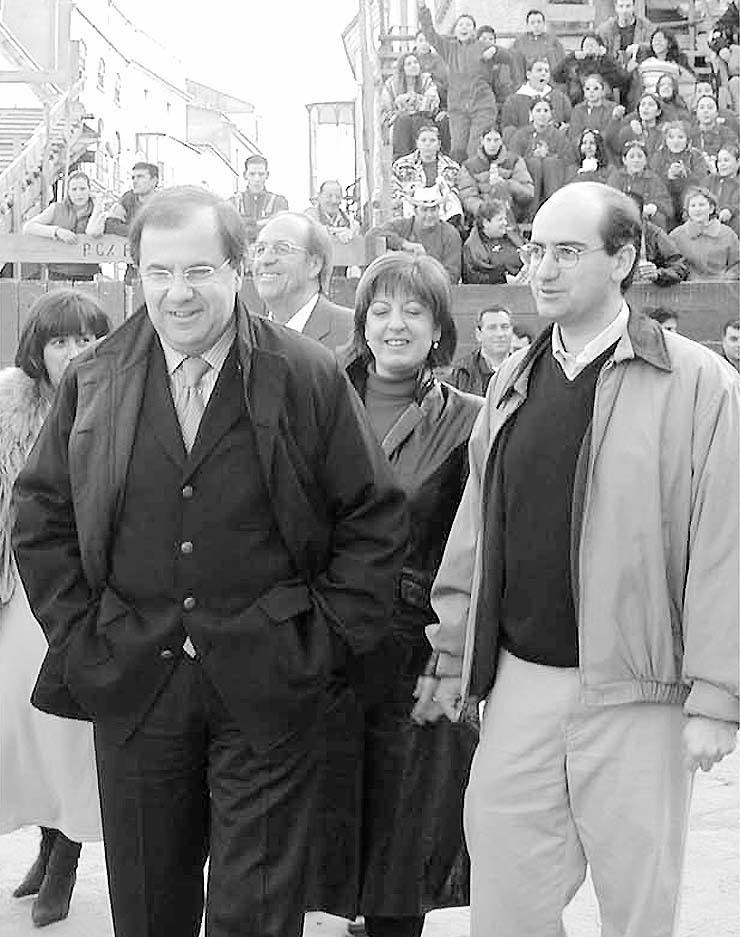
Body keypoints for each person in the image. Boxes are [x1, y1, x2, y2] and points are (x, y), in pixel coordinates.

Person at [12, 185, 409, 937]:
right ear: (135, 273)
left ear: (237, 269)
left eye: (198, 269)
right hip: (134, 682)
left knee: (256, 913)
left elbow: (373, 518)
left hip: (268, 686)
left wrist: (316, 644)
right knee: (148, 908)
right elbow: (41, 516)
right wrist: (83, 636)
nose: (178, 292)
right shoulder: (95, 375)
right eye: (158, 272)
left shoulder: (306, 375)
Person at [415, 181, 739, 937]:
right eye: (535, 251)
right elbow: (475, 531)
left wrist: (719, 694)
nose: (543, 270)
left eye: (567, 252)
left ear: (624, 258)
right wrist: (448, 651)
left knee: (636, 901)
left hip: (639, 688)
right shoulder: (510, 381)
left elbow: (726, 542)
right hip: (523, 680)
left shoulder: (699, 384)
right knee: (503, 889)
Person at [309, 251, 482, 937]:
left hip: (410, 647)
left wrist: (448, 657)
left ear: (440, 327)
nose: (395, 324)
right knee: (319, 816)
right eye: (380, 309)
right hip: (320, 640)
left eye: (414, 310)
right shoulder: (319, 394)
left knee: (402, 829)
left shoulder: (470, 418)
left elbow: (469, 545)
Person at [0, 290, 110, 927]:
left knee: (67, 722)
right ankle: (45, 838)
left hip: (81, 588)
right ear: (36, 348)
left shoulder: (116, 397)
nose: (74, 352)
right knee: (23, 718)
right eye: (60, 340)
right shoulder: (12, 406)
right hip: (19, 582)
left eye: (86, 337)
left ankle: (67, 850)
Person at [251, 211, 353, 350]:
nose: (265, 260)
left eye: (282, 249)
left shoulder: (352, 333)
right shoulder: (247, 338)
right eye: (260, 250)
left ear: (314, 264)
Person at [417, 2, 499, 163]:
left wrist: (495, 51)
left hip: (482, 106)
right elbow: (430, 35)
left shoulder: (484, 47)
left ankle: (477, 184)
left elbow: (507, 56)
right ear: (455, 30)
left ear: (474, 31)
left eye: (468, 25)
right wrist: (423, 11)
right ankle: (459, 185)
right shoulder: (449, 49)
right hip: (458, 108)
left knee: (475, 148)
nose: (464, 27)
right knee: (458, 149)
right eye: (460, 24)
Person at [22, 171, 108, 281]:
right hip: (58, 273)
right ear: (68, 192)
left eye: (82, 189)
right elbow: (28, 227)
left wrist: (98, 206)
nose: (78, 194)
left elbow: (95, 231)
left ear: (89, 190)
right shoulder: (56, 209)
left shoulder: (98, 211)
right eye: (74, 189)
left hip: (87, 274)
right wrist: (57, 231)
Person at [374, 185, 463, 284]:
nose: (429, 215)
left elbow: (452, 276)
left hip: (435, 291)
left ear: (439, 210)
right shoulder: (403, 226)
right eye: (424, 210)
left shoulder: (450, 234)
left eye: (433, 209)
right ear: (415, 211)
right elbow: (373, 234)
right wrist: (404, 244)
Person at [509, 98, 572, 219]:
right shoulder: (521, 135)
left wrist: (548, 156)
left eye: (545, 110)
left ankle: (554, 212)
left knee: (550, 163)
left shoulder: (558, 136)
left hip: (552, 180)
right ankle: (530, 213)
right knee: (534, 163)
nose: (542, 114)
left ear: (551, 114)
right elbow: (513, 159)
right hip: (529, 181)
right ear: (531, 113)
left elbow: (567, 159)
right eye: (538, 110)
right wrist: (532, 156)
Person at [458, 125, 534, 224]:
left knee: (500, 186)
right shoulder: (470, 166)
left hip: (511, 210)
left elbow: (528, 192)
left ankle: (506, 224)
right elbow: (468, 197)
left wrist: (508, 184)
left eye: (496, 140)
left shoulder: (514, 161)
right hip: (483, 214)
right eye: (488, 140)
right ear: (482, 141)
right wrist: (485, 209)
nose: (492, 144)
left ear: (501, 141)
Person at [391, 124, 463, 222]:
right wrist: (410, 200)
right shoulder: (401, 165)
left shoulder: (452, 166)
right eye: (423, 140)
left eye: (432, 140)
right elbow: (394, 190)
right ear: (417, 143)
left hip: (442, 207)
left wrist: (443, 199)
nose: (427, 144)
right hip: (412, 206)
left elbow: (458, 190)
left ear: (439, 144)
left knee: (453, 202)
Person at [669, 185, 740, 279]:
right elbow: (670, 264)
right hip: (688, 289)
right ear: (688, 210)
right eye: (693, 205)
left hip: (722, 288)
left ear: (711, 208)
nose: (697, 209)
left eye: (702, 205)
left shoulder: (728, 234)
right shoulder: (676, 235)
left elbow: (737, 264)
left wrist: (726, 279)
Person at [380, 53, 442, 160]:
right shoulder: (391, 85)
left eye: (415, 62)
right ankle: (401, 162)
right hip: (399, 122)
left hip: (423, 119)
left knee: (418, 120)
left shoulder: (426, 80)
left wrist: (413, 98)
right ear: (402, 68)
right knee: (404, 120)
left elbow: (433, 104)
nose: (413, 65)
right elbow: (385, 112)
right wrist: (400, 108)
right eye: (408, 64)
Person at [649, 120, 710, 225]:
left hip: (689, 201)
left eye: (681, 137)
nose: (675, 141)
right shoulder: (658, 156)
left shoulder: (696, 156)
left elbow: (702, 182)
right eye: (671, 137)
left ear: (688, 140)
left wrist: (686, 174)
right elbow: (653, 183)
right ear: (665, 140)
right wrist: (668, 176)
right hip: (667, 199)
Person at [448, 305, 515, 395]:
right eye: (492, 328)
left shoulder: (524, 370)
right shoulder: (460, 374)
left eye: (505, 327)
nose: (500, 334)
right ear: (478, 334)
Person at [607, 139, 673, 229]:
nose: (636, 160)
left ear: (645, 160)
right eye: (632, 157)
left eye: (639, 156)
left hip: (648, 224)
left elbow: (667, 207)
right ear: (624, 160)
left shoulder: (654, 179)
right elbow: (609, 202)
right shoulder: (616, 178)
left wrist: (653, 207)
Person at [627, 191, 689, 285]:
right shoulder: (603, 233)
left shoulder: (654, 234)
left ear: (640, 214)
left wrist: (658, 274)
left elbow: (679, 267)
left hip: (646, 292)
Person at [552, 33, 630, 106]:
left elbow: (623, 79)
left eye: (592, 45)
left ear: (600, 47)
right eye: (586, 46)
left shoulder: (606, 63)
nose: (589, 49)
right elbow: (556, 76)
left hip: (604, 107)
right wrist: (571, 56)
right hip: (579, 107)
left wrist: (606, 57)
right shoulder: (574, 64)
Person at [462, 198, 524, 285]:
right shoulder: (472, 247)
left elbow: (527, 250)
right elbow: (474, 278)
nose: (505, 223)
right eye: (500, 219)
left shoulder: (511, 236)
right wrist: (504, 279)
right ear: (486, 223)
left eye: (505, 218)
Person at [500, 59, 572, 134]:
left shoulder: (560, 98)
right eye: (539, 70)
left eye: (546, 71)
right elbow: (508, 129)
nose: (543, 73)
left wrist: (565, 129)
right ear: (528, 75)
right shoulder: (513, 101)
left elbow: (570, 122)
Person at [230, 154, 289, 244]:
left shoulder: (279, 202)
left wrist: (247, 225)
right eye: (252, 174)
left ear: (267, 175)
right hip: (241, 253)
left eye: (261, 174)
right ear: (245, 175)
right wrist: (265, 223)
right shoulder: (233, 203)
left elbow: (280, 230)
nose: (256, 179)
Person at [102, 162, 159, 236]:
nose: (135, 181)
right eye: (133, 177)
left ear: (154, 181)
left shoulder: (162, 203)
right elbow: (110, 225)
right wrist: (138, 233)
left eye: (140, 177)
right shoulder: (127, 198)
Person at [567, 73, 624, 146]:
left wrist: (594, 137)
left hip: (607, 149)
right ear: (584, 91)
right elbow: (574, 136)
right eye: (587, 89)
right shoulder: (578, 109)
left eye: (596, 88)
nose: (591, 91)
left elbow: (613, 134)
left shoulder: (613, 108)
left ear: (603, 91)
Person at [596, 0, 653, 68]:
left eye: (628, 6)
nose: (624, 11)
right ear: (616, 7)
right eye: (621, 6)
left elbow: (654, 46)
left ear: (634, 7)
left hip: (640, 68)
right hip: (612, 70)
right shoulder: (605, 29)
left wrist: (639, 47)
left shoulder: (646, 26)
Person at [689, 94, 738, 168]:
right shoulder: (688, 134)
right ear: (696, 112)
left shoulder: (728, 134)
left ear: (717, 113)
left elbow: (731, 157)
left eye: (710, 108)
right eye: (702, 108)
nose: (706, 111)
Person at [510, 9, 566, 74]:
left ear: (544, 23)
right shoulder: (519, 42)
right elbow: (514, 66)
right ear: (527, 25)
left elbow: (562, 63)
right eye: (532, 23)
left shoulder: (553, 41)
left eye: (539, 22)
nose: (536, 25)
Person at [304, 180, 360, 244]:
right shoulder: (308, 218)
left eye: (338, 197)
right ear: (319, 196)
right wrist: (335, 233)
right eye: (329, 196)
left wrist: (351, 235)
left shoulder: (351, 224)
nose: (334, 201)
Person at [475, 25, 519, 102]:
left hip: (501, 97)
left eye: (491, 39)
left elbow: (514, 77)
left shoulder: (503, 56)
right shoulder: (472, 56)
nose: (487, 41)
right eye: (484, 39)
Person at [707, 143, 740, 235]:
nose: (722, 164)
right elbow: (699, 194)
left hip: (733, 225)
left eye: (726, 160)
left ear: (738, 162)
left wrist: (730, 210)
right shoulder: (711, 179)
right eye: (719, 161)